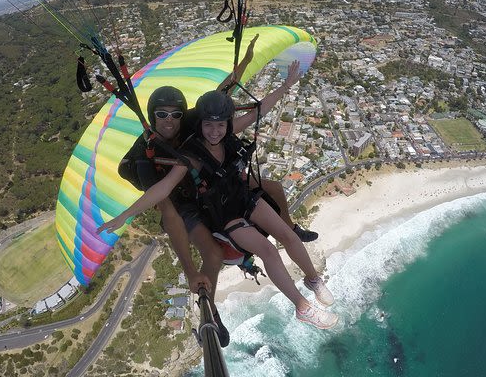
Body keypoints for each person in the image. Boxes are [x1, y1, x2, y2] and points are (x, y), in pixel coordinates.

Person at [100, 90, 339, 330]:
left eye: (220, 125)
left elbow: (259, 111)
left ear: (226, 124)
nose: (214, 131)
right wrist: (125, 215)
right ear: (200, 125)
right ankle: (302, 307)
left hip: (243, 198)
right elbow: (163, 189)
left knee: (287, 234)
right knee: (268, 251)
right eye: (208, 125)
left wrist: (287, 84)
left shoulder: (226, 135)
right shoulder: (191, 155)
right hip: (226, 214)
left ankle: (313, 279)